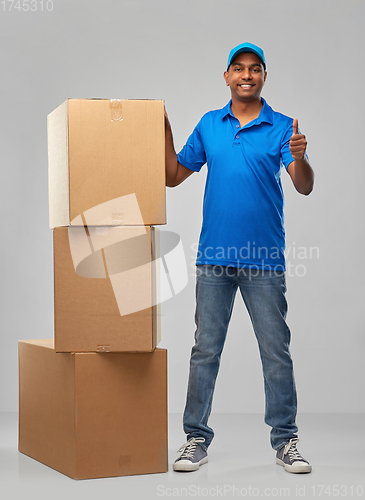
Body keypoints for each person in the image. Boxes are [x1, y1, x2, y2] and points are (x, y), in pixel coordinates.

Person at [164, 42, 314, 474]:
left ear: (264, 76)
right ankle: (195, 438)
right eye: (238, 68)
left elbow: (302, 186)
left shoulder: (283, 127)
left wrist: (301, 158)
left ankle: (286, 441)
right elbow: (174, 177)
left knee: (275, 351)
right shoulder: (211, 125)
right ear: (227, 76)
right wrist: (165, 131)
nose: (246, 75)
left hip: (263, 260)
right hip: (213, 259)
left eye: (255, 69)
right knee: (205, 350)